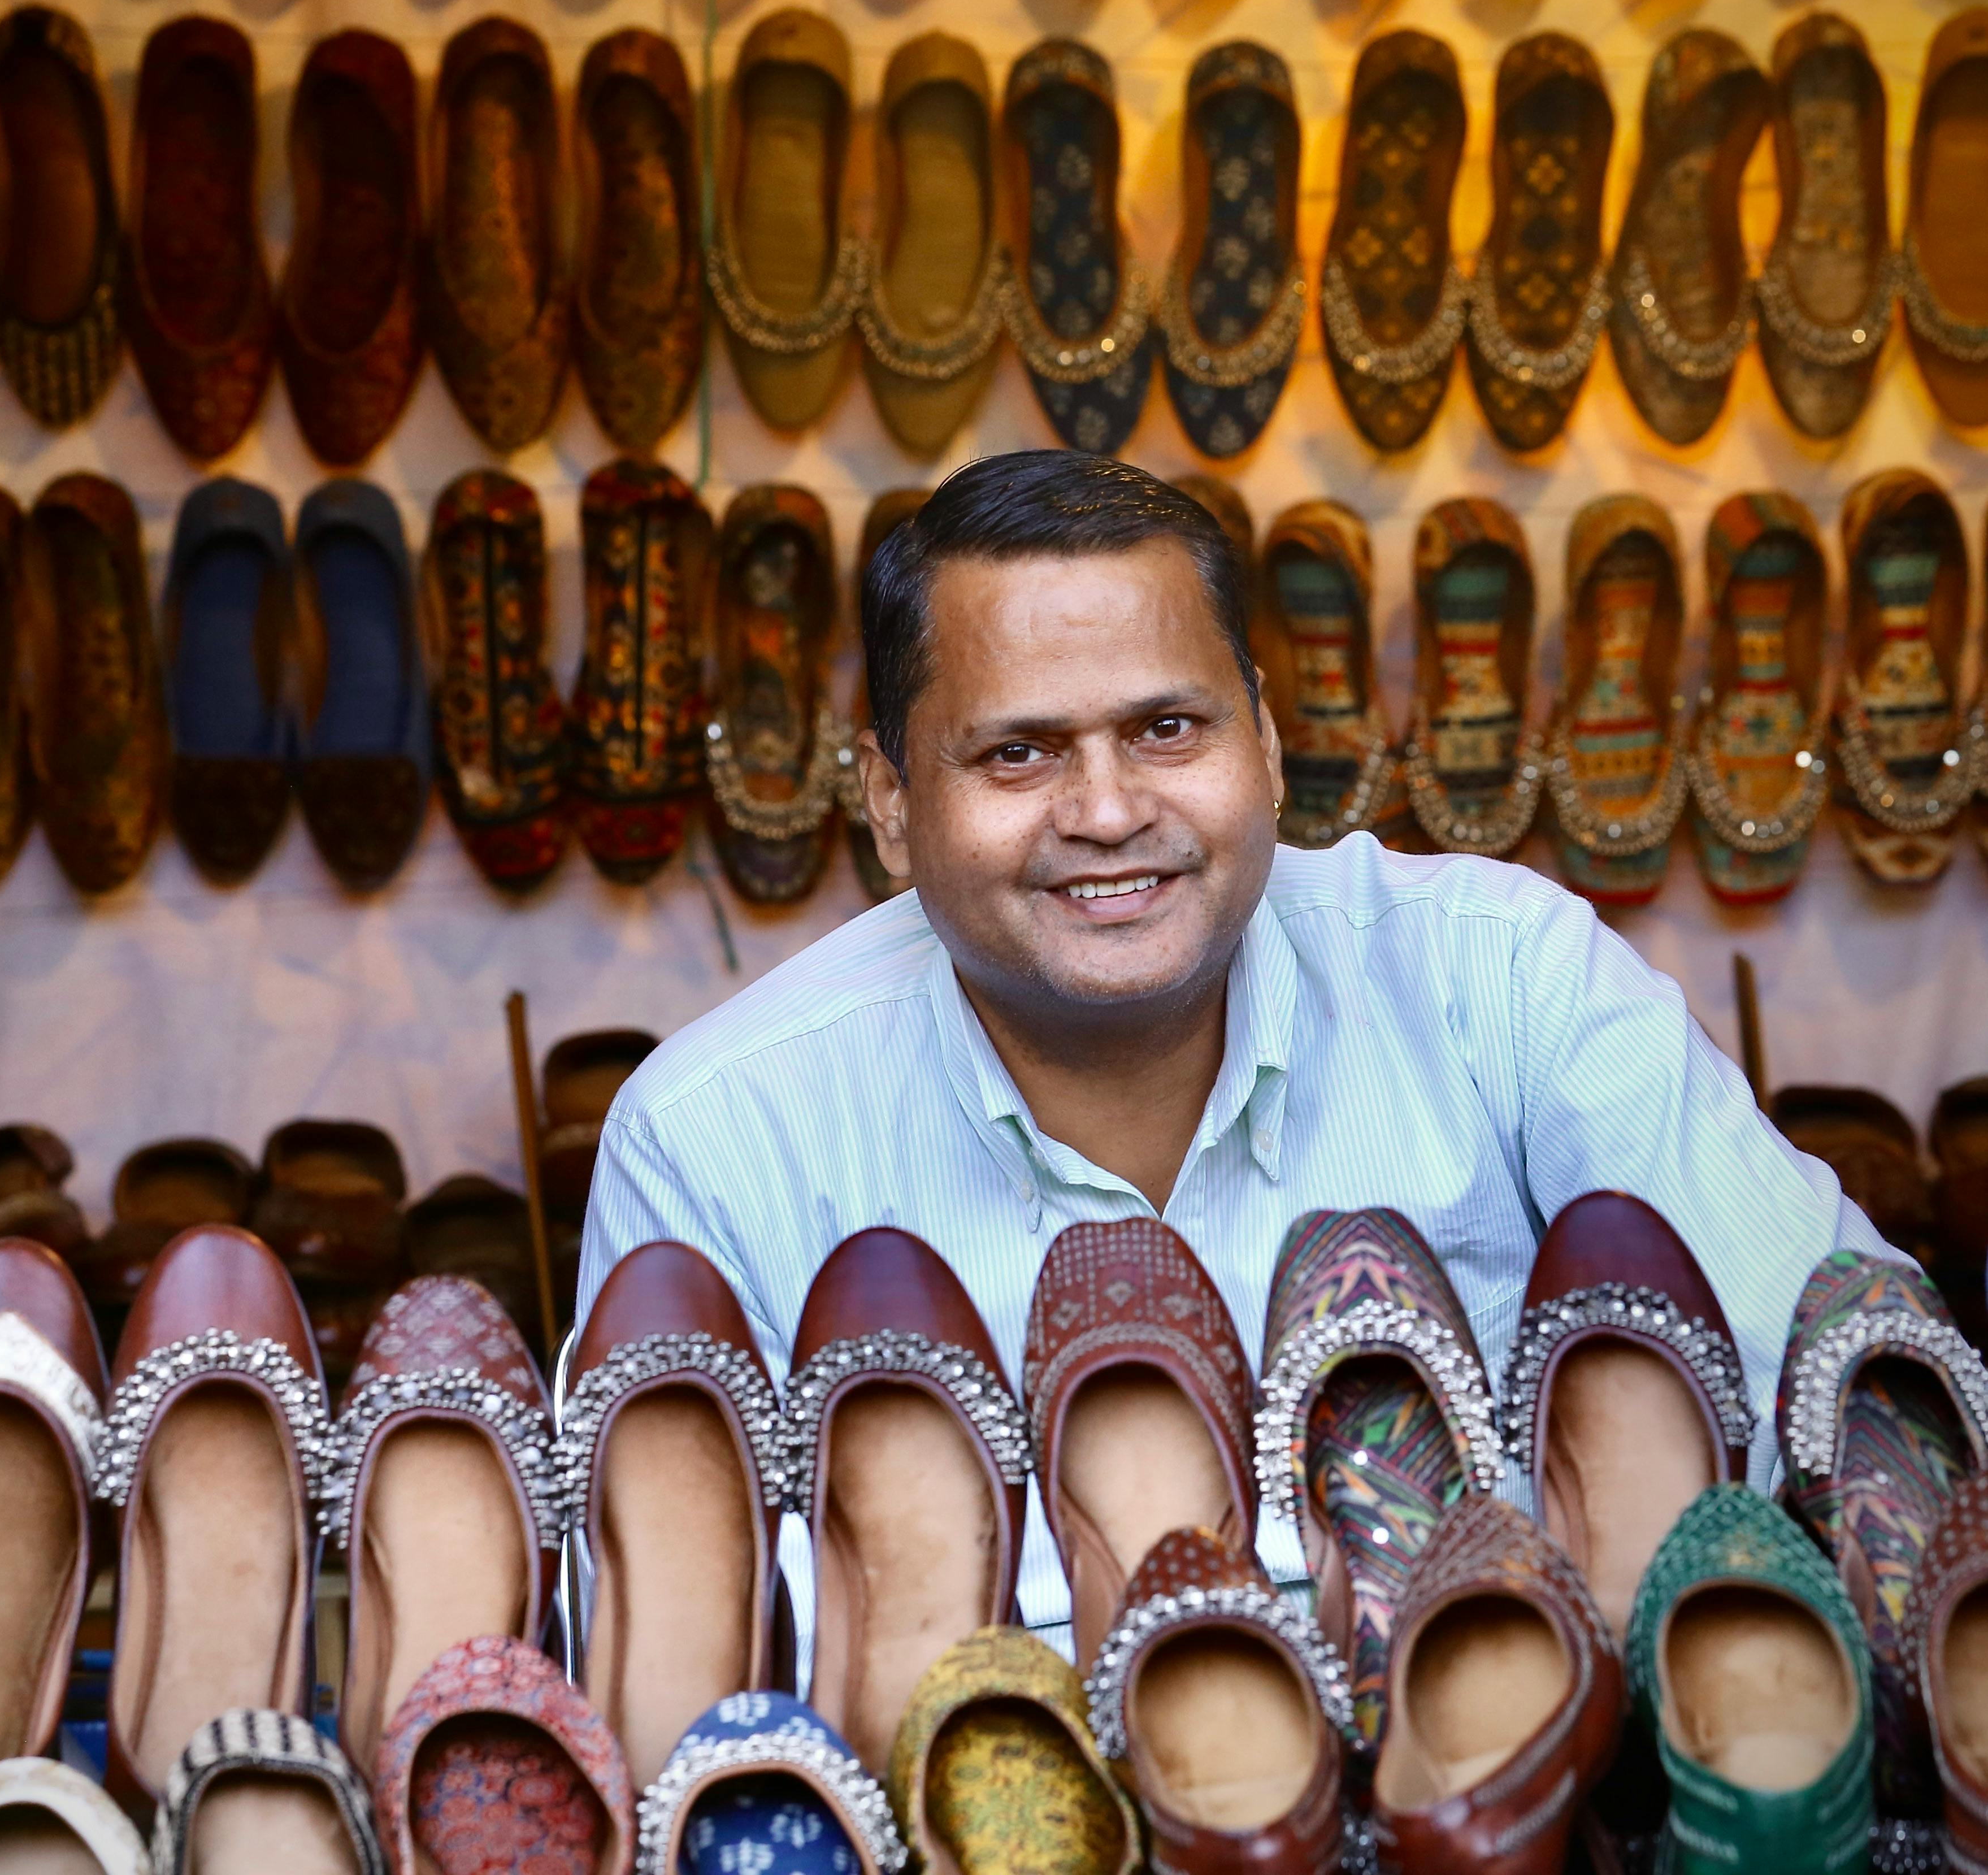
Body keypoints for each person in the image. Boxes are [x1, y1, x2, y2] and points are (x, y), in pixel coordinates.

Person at [576, 449, 1885, 1643]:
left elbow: (1850, 1383)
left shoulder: (1500, 978)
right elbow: (677, 1646)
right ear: (889, 803)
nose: (1105, 811)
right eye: (1017, 752)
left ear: (1261, 741)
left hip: (1509, 1761)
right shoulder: (714, 1132)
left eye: (1165, 728)